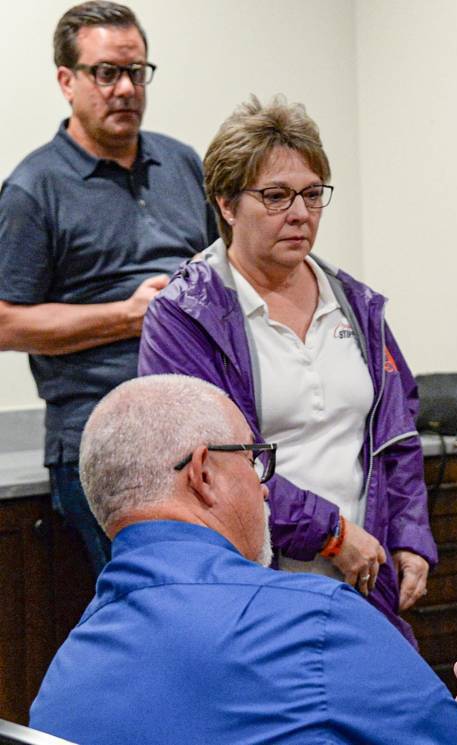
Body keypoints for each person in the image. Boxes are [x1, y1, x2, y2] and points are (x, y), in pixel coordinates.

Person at [29, 374, 457, 745]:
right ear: (203, 475)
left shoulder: (63, 677)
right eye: (253, 460)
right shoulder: (317, 622)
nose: (265, 490)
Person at [137, 95, 434, 645]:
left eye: (312, 195)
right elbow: (213, 465)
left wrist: (411, 536)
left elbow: (397, 433)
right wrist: (332, 533)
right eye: (275, 196)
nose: (300, 213)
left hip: (363, 578)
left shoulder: (354, 304)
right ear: (226, 204)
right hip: (251, 588)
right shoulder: (185, 315)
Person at [0, 1, 217, 576]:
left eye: (137, 72)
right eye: (106, 73)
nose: (125, 88)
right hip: (102, 437)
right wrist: (127, 316)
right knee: (164, 602)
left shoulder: (182, 163)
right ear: (66, 81)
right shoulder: (33, 188)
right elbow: (4, 322)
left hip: (201, 428)